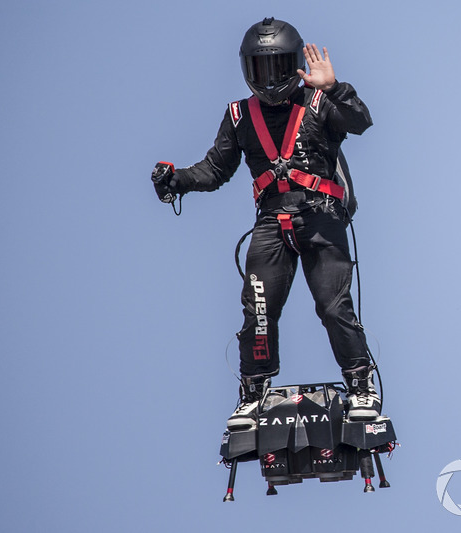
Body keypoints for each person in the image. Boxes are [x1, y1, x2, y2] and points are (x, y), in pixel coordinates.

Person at [153, 17, 380, 430]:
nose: (270, 78)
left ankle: (361, 384)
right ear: (247, 69)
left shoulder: (318, 101)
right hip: (272, 223)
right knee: (257, 310)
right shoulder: (240, 115)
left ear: (295, 65)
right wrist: (177, 180)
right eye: (261, 69)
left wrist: (333, 87)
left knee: (333, 307)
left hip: (320, 218)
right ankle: (253, 393)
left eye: (278, 67)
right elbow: (214, 169)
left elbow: (360, 121)